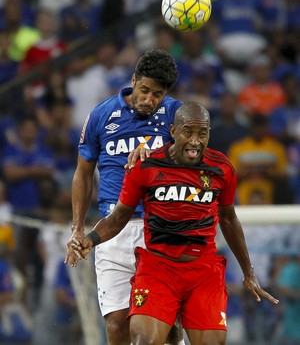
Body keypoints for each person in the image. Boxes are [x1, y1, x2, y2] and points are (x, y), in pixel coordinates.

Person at [66, 101, 279, 345]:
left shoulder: (222, 168)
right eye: (188, 132)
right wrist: (90, 239)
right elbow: (118, 217)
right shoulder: (146, 166)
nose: (196, 141)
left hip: (203, 273)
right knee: (144, 340)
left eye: (203, 133)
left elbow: (229, 219)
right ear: (173, 132)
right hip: (158, 270)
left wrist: (248, 273)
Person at [65, 49, 183, 345]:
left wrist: (158, 156)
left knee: (165, 328)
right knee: (116, 325)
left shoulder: (175, 114)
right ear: (133, 81)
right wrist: (78, 227)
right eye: (144, 90)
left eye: (157, 94)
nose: (149, 100)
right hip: (111, 230)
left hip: (159, 228)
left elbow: (193, 161)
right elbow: (82, 173)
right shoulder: (102, 115)